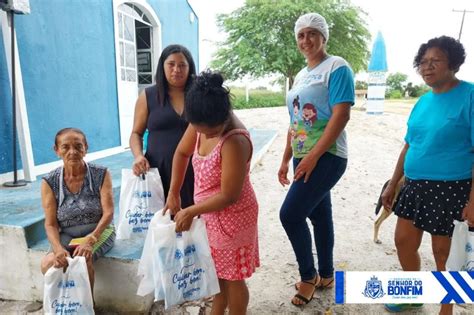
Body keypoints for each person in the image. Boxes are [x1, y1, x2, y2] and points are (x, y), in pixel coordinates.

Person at [382, 36, 473, 314]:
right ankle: (413, 294)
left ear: (454, 64)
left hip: (451, 188)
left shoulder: (469, 96)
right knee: (403, 242)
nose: (427, 67)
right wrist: (393, 183)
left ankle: (446, 310)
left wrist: (473, 201)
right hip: (414, 186)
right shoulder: (422, 102)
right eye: (423, 62)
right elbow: (409, 144)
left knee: (443, 253)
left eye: (435, 61)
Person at [164, 70, 259, 315]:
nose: (204, 135)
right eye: (199, 130)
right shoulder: (201, 121)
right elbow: (182, 153)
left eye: (211, 131)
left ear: (223, 116)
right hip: (210, 217)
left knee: (233, 277)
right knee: (217, 273)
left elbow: (229, 195)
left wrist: (192, 210)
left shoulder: (234, 141)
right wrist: (174, 192)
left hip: (234, 217)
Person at [278, 13, 354, 306]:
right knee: (320, 216)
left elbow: (341, 115)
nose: (306, 40)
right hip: (303, 155)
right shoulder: (300, 75)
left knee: (290, 214)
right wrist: (286, 158)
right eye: (301, 35)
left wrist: (312, 156)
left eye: (312, 33)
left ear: (324, 37)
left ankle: (307, 277)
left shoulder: (337, 67)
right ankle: (326, 274)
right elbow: (295, 121)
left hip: (327, 155)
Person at [40, 128, 115, 294]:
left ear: (85, 148)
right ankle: (67, 304)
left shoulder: (101, 174)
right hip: (67, 234)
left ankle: (89, 306)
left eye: (78, 146)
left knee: (81, 260)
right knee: (48, 263)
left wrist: (91, 239)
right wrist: (58, 248)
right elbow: (51, 224)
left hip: (98, 231)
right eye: (65, 147)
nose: (72, 152)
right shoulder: (49, 181)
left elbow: (108, 213)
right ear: (57, 150)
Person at [129, 44, 196, 207]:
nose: (177, 70)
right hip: (158, 171)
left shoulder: (198, 94)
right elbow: (136, 133)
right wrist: (138, 156)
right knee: (162, 222)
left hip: (195, 169)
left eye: (182, 65)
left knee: (196, 222)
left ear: (190, 68)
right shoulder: (148, 95)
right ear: (162, 66)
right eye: (171, 64)